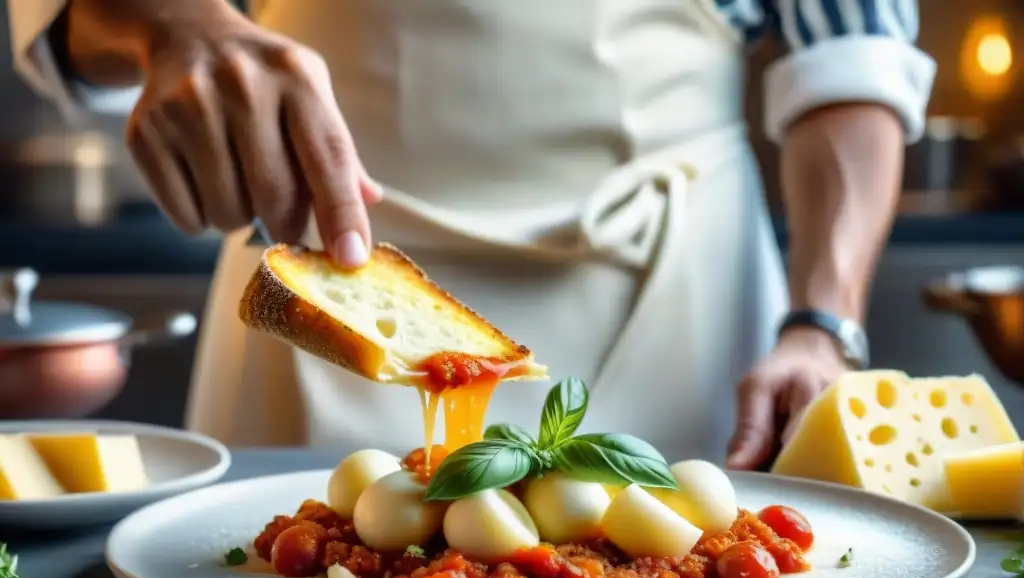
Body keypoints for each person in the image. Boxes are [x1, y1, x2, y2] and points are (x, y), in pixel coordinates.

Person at [9, 0, 934, 468]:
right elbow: (72, 17)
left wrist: (826, 321)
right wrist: (170, 17)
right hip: (320, 289)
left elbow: (851, 57)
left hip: (678, 289)